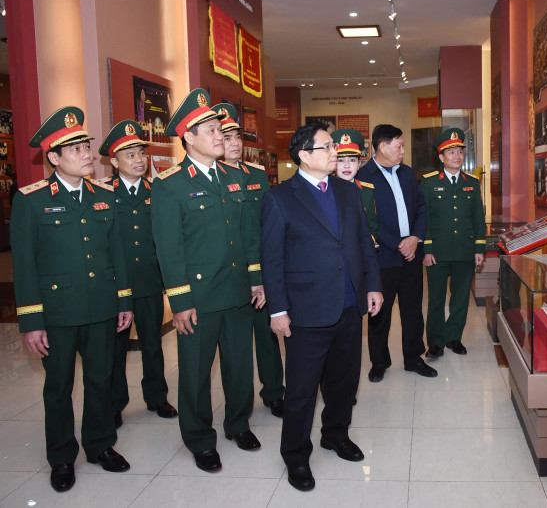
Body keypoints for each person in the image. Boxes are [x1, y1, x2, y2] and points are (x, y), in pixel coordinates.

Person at [11, 107, 134, 492]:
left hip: (101, 308)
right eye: (76, 149)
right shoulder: (31, 200)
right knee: (59, 387)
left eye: (87, 147)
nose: (87, 155)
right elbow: (24, 266)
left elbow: (117, 254)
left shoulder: (104, 196)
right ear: (54, 158)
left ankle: (100, 445)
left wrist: (124, 301)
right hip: (58, 313)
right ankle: (62, 456)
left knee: (101, 380)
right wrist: (32, 321)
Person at [260, 124, 383, 492]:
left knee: (344, 381)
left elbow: (364, 242)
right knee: (301, 390)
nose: (337, 153)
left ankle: (336, 434)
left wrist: (373, 285)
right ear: (304, 155)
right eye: (327, 147)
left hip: (348, 304)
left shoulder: (348, 192)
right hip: (306, 311)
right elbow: (272, 259)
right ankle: (296, 455)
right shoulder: (280, 197)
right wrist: (277, 309)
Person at [151, 89, 265, 472]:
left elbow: (249, 237)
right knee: (196, 373)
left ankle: (238, 424)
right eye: (211, 130)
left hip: (236, 291)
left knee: (238, 366)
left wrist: (256, 279)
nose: (221, 136)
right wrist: (180, 302)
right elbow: (169, 249)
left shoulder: (235, 178)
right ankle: (200, 438)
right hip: (198, 297)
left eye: (220, 128)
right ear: (188, 137)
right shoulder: (170, 185)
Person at [99, 120, 177, 429]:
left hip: (148, 282)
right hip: (116, 286)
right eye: (129, 155)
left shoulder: (157, 191)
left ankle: (156, 396)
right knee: (115, 350)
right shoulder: (102, 193)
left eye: (140, 153)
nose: (138, 160)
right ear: (114, 162)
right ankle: (116, 403)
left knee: (152, 344)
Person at [213, 103, 285, 418]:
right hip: (229, 274)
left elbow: (267, 225)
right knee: (236, 346)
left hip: (262, 270)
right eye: (227, 137)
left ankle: (273, 391)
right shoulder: (212, 179)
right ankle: (239, 404)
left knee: (268, 336)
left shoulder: (256, 175)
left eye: (238, 137)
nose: (235, 143)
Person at [357, 124, 437, 381]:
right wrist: (398, 244)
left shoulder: (407, 173)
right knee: (380, 312)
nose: (403, 150)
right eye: (399, 145)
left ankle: (413, 357)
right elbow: (367, 219)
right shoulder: (364, 176)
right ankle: (379, 362)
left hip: (411, 254)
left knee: (413, 309)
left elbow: (422, 207)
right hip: (384, 256)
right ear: (382, 146)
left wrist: (414, 238)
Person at [420, 128, 486, 357]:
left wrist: (479, 247)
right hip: (438, 250)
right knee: (436, 299)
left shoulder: (472, 182)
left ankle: (453, 337)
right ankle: (436, 343)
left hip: (464, 250)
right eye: (451, 152)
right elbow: (423, 218)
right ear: (441, 157)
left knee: (460, 299)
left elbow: (478, 217)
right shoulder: (428, 183)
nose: (457, 156)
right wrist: (426, 248)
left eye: (460, 151)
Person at [330, 127, 377, 241]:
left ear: (359, 163)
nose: (347, 166)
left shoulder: (367, 191)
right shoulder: (325, 189)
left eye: (352, 160)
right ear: (333, 163)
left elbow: (372, 228)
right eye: (340, 160)